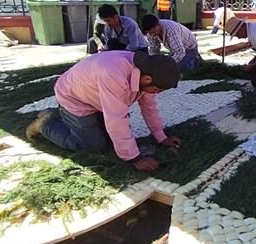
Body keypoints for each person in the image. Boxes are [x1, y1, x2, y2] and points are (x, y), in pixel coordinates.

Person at [25, 52, 182, 172]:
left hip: (96, 97)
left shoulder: (148, 70)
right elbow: (116, 118)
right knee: (94, 146)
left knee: (110, 141)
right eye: (157, 90)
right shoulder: (114, 74)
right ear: (147, 79)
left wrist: (161, 137)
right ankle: (46, 123)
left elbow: (149, 108)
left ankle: (66, 119)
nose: (156, 93)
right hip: (73, 97)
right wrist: (134, 158)